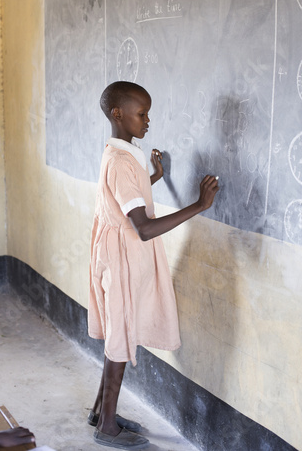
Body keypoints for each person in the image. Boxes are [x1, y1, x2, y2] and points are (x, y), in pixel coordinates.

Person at [88, 81, 219, 449]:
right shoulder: (118, 161)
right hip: (123, 257)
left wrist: (155, 178)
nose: (148, 121)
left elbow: (127, 198)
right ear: (118, 114)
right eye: (141, 114)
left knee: (119, 333)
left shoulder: (123, 153)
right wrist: (198, 206)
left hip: (121, 253)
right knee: (120, 338)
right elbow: (143, 228)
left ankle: (102, 412)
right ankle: (107, 428)